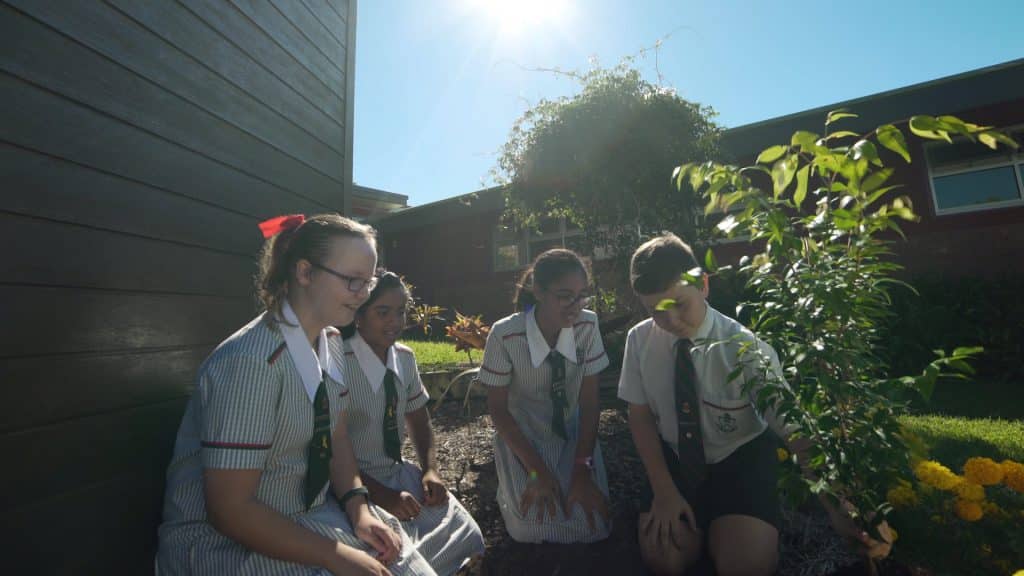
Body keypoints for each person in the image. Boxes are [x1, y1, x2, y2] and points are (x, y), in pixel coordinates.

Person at [157, 214, 434, 576]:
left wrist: (358, 508)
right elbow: (230, 510)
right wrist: (334, 555)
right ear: (304, 273)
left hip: (307, 518)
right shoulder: (251, 363)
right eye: (353, 281)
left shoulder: (331, 343)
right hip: (227, 544)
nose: (363, 295)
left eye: (368, 282)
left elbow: (335, 437)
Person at [619, 233, 887, 576]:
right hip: (675, 461)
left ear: (702, 284)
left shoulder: (747, 350)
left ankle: (726, 530)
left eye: (679, 304)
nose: (670, 321)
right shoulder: (639, 340)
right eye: (656, 311)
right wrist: (663, 490)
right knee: (665, 561)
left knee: (746, 567)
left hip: (739, 460)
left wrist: (838, 504)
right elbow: (639, 416)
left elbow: (796, 433)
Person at [340, 270, 485, 575]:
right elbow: (332, 453)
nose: (395, 321)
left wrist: (430, 469)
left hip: (397, 472)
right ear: (358, 316)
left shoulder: (403, 359)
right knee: (394, 555)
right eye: (383, 312)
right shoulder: (338, 363)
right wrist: (384, 496)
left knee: (468, 536)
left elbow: (419, 419)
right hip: (353, 485)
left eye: (401, 311)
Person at [476, 248, 611, 544]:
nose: (575, 306)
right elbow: (498, 410)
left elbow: (589, 404)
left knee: (594, 524)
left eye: (581, 295)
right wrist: (537, 472)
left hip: (573, 435)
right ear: (538, 291)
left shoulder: (587, 326)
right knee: (533, 529)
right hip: (523, 436)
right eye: (565, 295)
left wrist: (582, 470)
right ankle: (510, 486)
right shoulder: (505, 335)